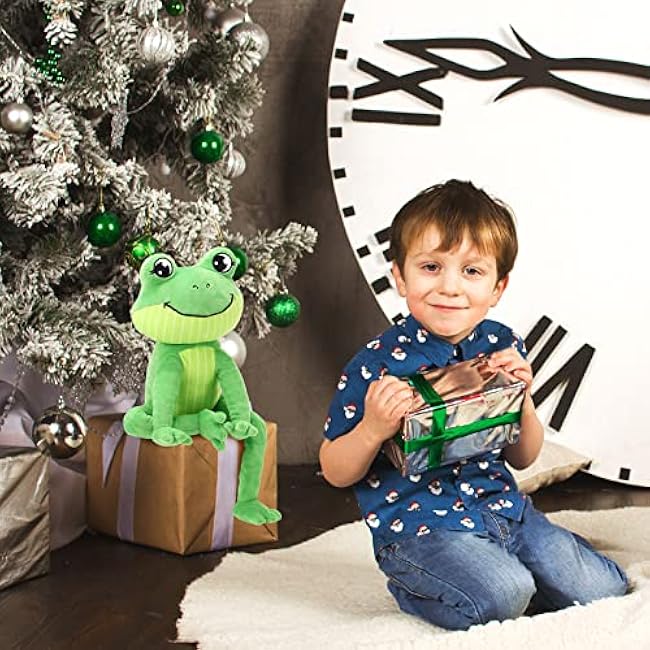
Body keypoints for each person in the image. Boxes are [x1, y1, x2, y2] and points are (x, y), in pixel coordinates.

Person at [319, 179, 628, 631]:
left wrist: (523, 401)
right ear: (400, 276)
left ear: (497, 287)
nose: (450, 287)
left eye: (471, 271)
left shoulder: (502, 345)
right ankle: (416, 586)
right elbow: (334, 469)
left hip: (504, 513)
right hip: (421, 530)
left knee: (604, 589)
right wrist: (372, 429)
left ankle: (518, 572)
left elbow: (523, 456)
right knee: (505, 594)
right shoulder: (376, 365)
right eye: (431, 267)